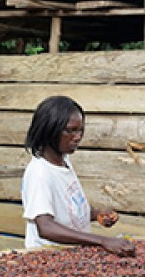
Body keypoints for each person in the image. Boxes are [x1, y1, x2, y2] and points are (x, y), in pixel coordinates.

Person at [21, 95, 135, 257]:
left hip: (72, 255)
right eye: (70, 131)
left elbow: (68, 211)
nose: (78, 137)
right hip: (48, 258)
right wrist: (102, 241)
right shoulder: (40, 172)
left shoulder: (63, 162)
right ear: (49, 130)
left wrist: (96, 214)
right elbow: (45, 227)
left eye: (80, 130)